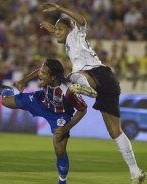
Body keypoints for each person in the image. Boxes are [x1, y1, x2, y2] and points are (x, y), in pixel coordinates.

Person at [35, 3, 145, 184]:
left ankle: (86, 89)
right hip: (108, 82)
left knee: (72, 76)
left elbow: (81, 21)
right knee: (115, 131)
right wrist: (54, 29)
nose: (57, 33)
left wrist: (59, 9)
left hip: (96, 74)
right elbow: (63, 31)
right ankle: (136, 172)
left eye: (60, 30)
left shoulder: (76, 33)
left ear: (69, 29)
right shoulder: (71, 41)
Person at [0, 58, 87, 184]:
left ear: (53, 77)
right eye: (41, 70)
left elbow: (83, 110)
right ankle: (6, 91)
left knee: (59, 148)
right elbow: (39, 71)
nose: (40, 74)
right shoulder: (47, 76)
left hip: (59, 114)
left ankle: (62, 180)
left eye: (44, 73)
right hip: (41, 101)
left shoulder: (68, 91)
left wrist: (66, 128)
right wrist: (23, 81)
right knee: (5, 102)